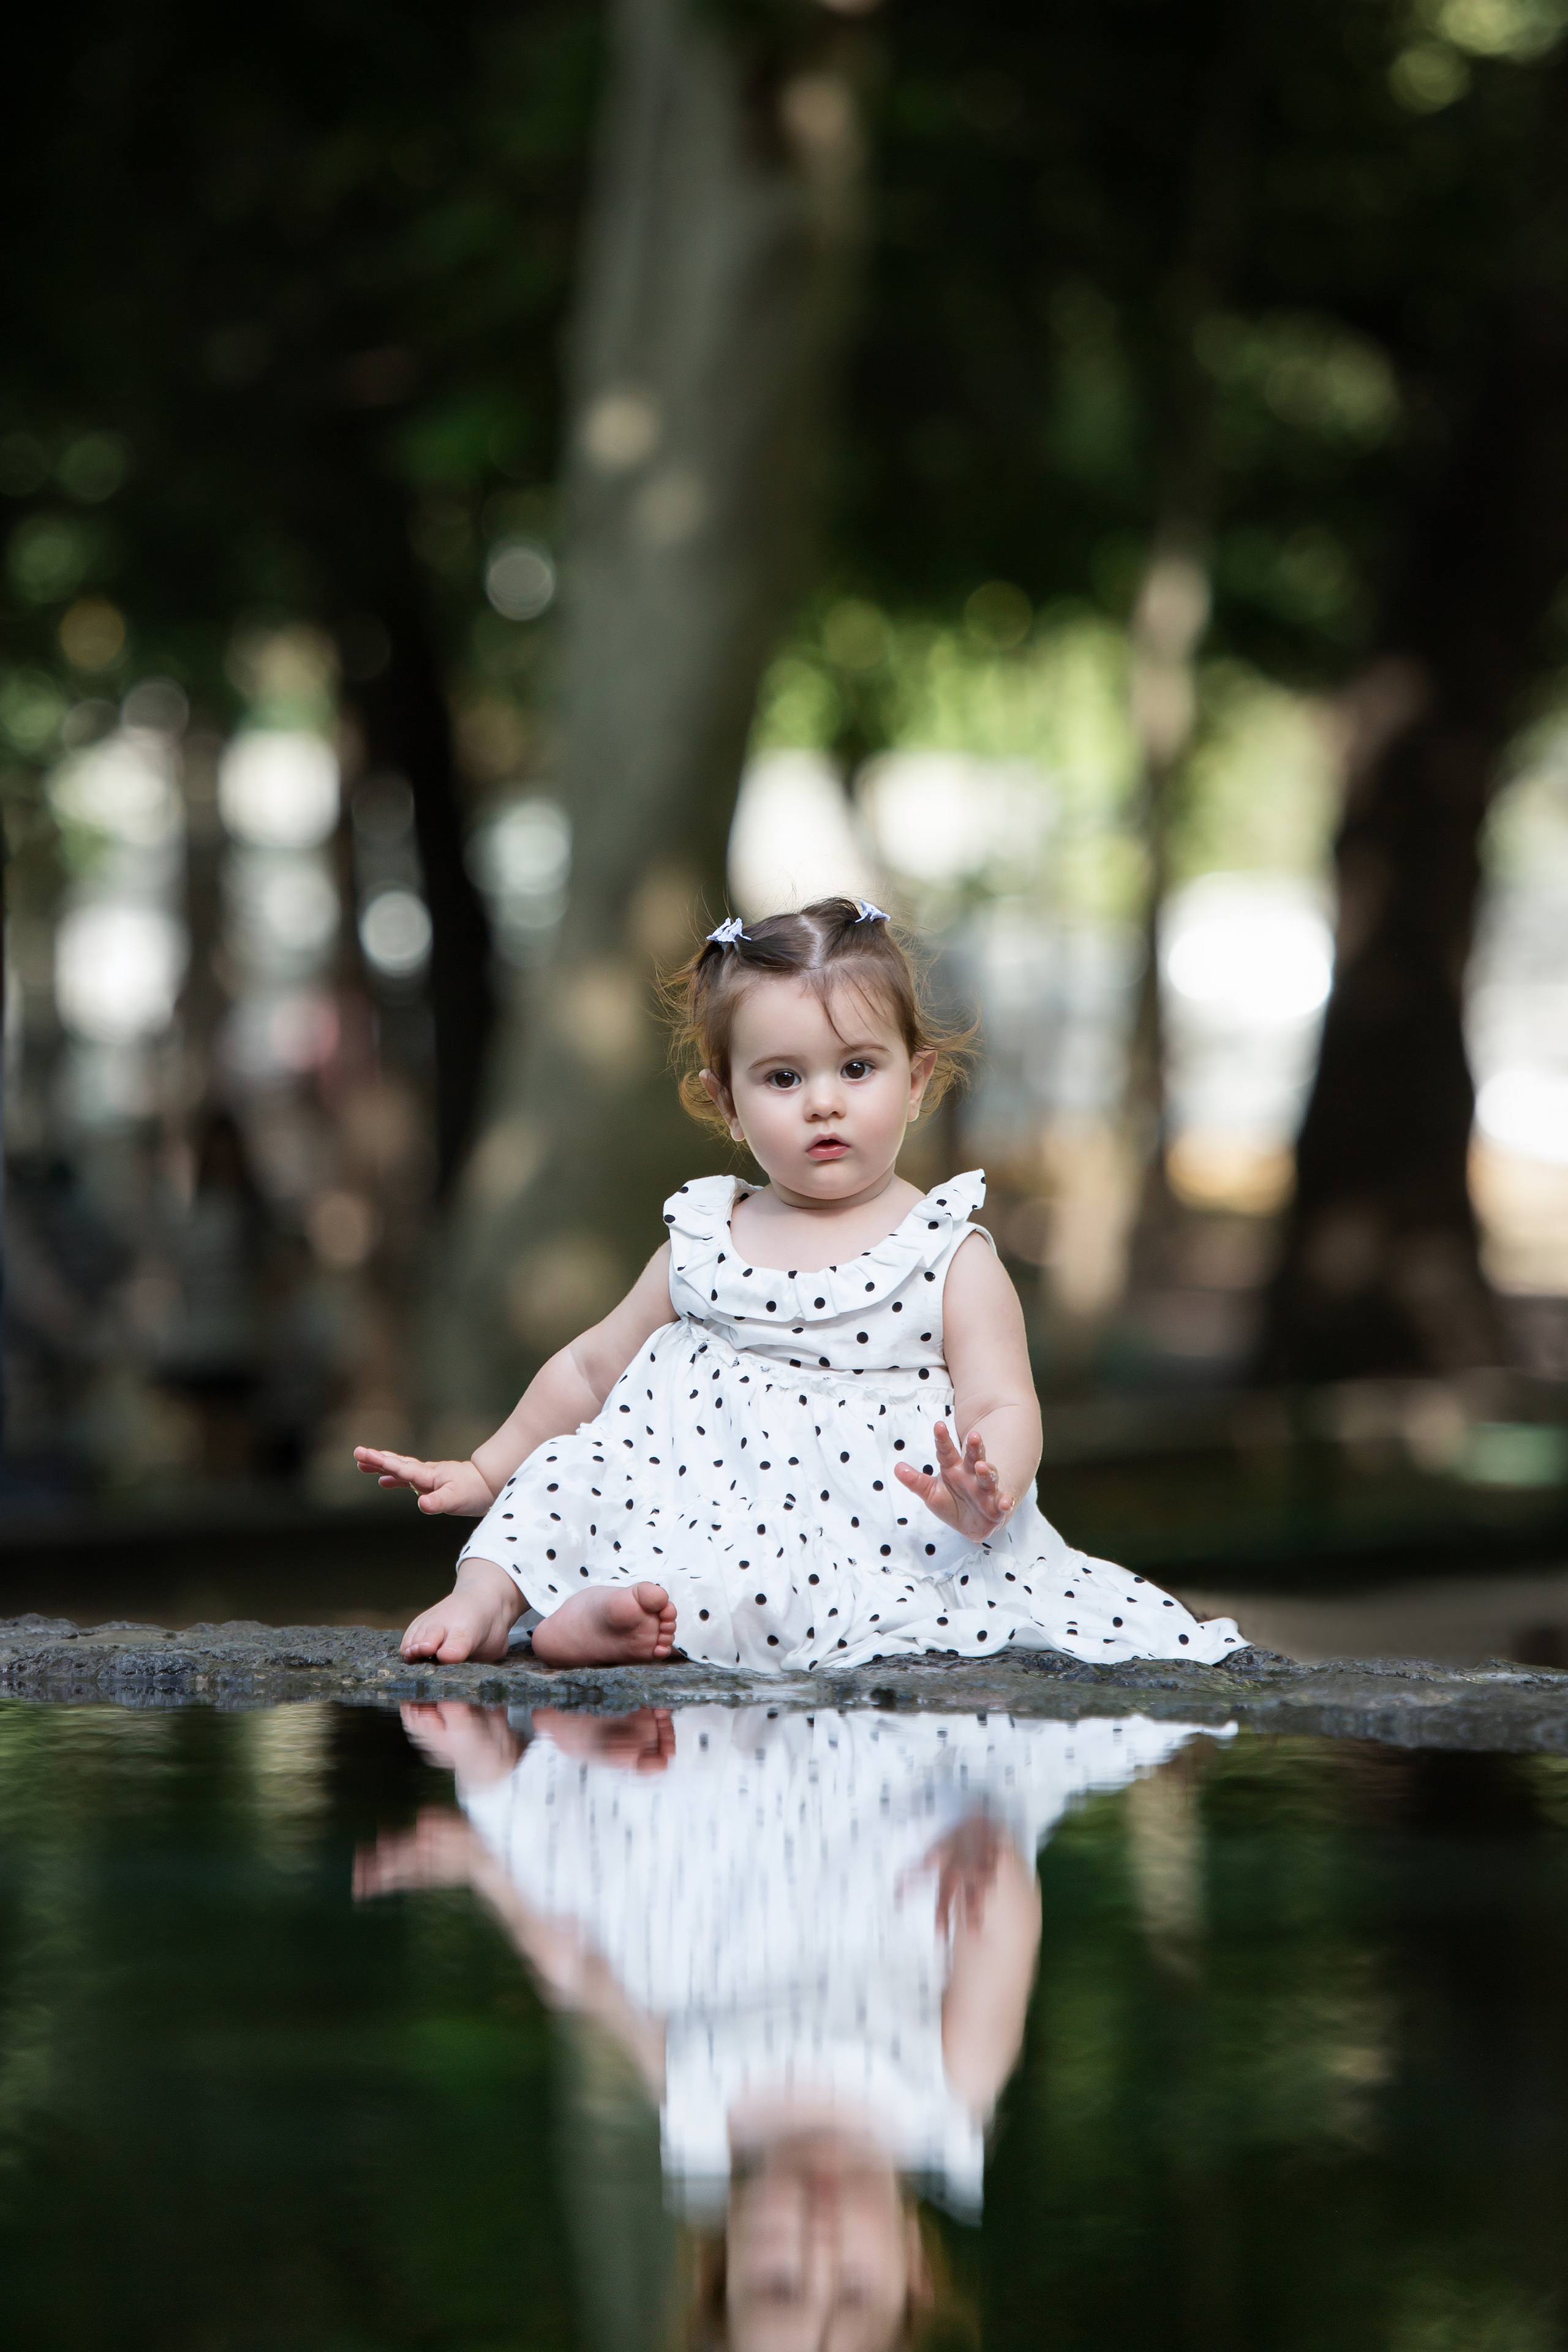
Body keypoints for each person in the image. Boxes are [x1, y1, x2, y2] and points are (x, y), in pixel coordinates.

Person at [356, 897, 1246, 1672]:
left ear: (915, 1081)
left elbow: (1003, 1400)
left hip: (847, 1532)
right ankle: (487, 1600)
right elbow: (592, 1371)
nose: (823, 1102)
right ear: (729, 1105)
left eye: (856, 1069)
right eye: (783, 1079)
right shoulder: (705, 1237)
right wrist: (486, 1467)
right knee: (560, 1477)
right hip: (673, 1494)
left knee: (774, 1590)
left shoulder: (943, 1253)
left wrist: (988, 1486)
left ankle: (614, 1621)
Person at [356, 1698, 1231, 2352]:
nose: (817, 2247)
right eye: (853, 2289)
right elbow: (1004, 1944)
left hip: (684, 1802)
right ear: (918, 2273)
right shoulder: (943, 2101)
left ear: (722, 2256)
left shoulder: (702, 2112)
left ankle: (495, 1749)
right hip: (879, 1804)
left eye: (777, 2283)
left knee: (564, 1861)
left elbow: (584, 1970)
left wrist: (486, 1865)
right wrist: (988, 1863)